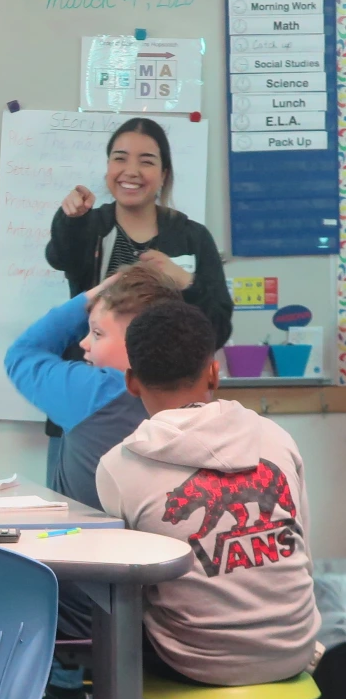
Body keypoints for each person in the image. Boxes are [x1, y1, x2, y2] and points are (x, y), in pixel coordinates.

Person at [97, 300, 318, 699]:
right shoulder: (277, 439)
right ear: (214, 369)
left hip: (198, 659)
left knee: (112, 625)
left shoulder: (118, 467)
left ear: (130, 382)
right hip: (294, 644)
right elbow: (299, 542)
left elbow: (128, 579)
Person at [5, 262, 179, 699]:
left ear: (139, 342)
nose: (84, 343)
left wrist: (92, 292)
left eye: (97, 333)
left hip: (91, 604)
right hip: (180, 602)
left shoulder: (92, 391)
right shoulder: (193, 398)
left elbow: (22, 352)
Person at [40, 116, 233, 490]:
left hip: (172, 407)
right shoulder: (89, 226)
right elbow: (60, 256)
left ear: (164, 174)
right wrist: (71, 219)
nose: (131, 171)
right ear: (108, 168)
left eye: (146, 161)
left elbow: (219, 326)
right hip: (89, 403)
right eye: (119, 158)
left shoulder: (191, 237)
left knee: (168, 515)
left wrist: (185, 283)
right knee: (77, 522)